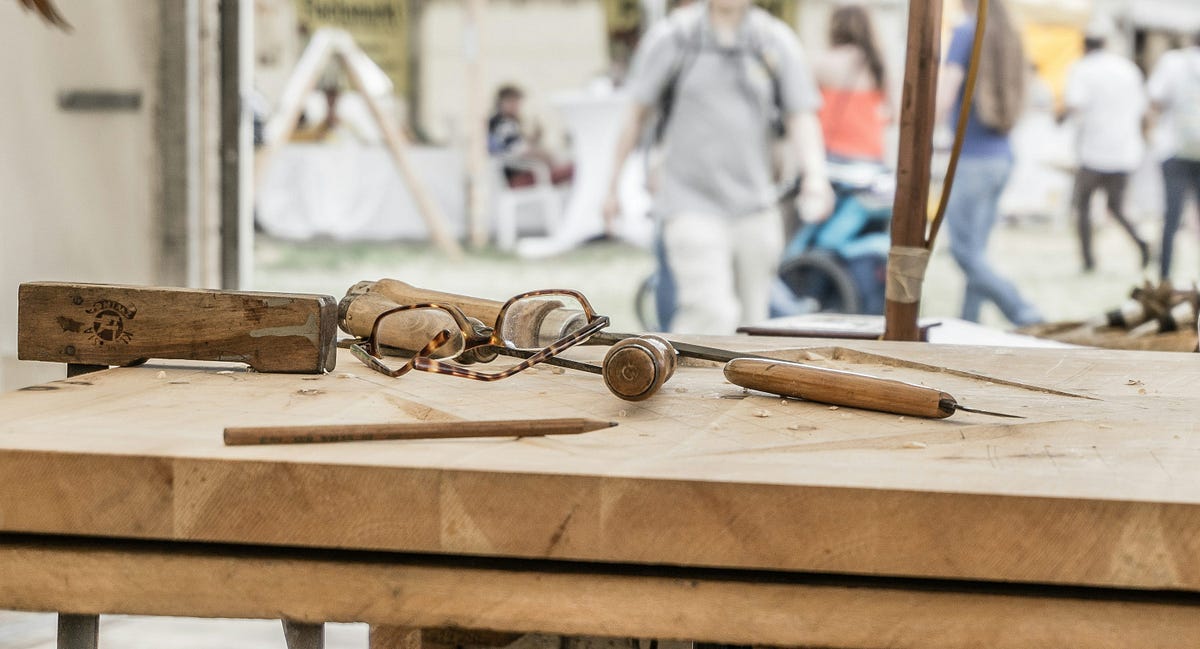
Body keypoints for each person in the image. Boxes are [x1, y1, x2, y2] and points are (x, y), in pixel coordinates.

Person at [603, 0, 833, 334]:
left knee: (755, 325)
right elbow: (636, 115)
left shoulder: (773, 40)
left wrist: (816, 177)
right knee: (710, 315)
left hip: (756, 206)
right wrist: (611, 189)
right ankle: (691, 370)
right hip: (689, 204)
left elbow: (801, 116)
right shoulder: (674, 37)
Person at [936, 0, 1042, 327]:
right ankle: (968, 323)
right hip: (1001, 157)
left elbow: (946, 92)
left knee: (964, 253)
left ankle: (1025, 313)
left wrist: (921, 130)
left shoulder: (967, 31)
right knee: (977, 254)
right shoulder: (1008, 31)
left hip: (972, 159)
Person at [1061, 34, 1150, 272]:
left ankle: (1088, 260)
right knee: (1117, 207)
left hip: (1093, 151)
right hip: (1125, 150)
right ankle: (1140, 241)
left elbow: (1074, 104)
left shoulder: (1081, 69)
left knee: (1082, 206)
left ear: (1084, 47)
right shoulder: (1128, 69)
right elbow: (1143, 109)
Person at [1148, 30, 1200, 281]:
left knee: (1171, 218)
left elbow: (1154, 100)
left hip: (1174, 148)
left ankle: (1165, 278)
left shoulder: (1173, 62)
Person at [813, 4, 890, 163]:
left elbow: (808, 108)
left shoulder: (822, 63)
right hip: (870, 152)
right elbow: (893, 112)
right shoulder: (877, 65)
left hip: (831, 150)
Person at [488, 84, 573, 187]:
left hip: (523, 171)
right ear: (502, 102)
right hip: (518, 176)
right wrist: (548, 157)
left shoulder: (505, 122)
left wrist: (534, 140)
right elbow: (519, 150)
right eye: (513, 102)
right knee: (573, 169)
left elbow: (514, 147)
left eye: (517, 102)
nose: (516, 106)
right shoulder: (503, 124)